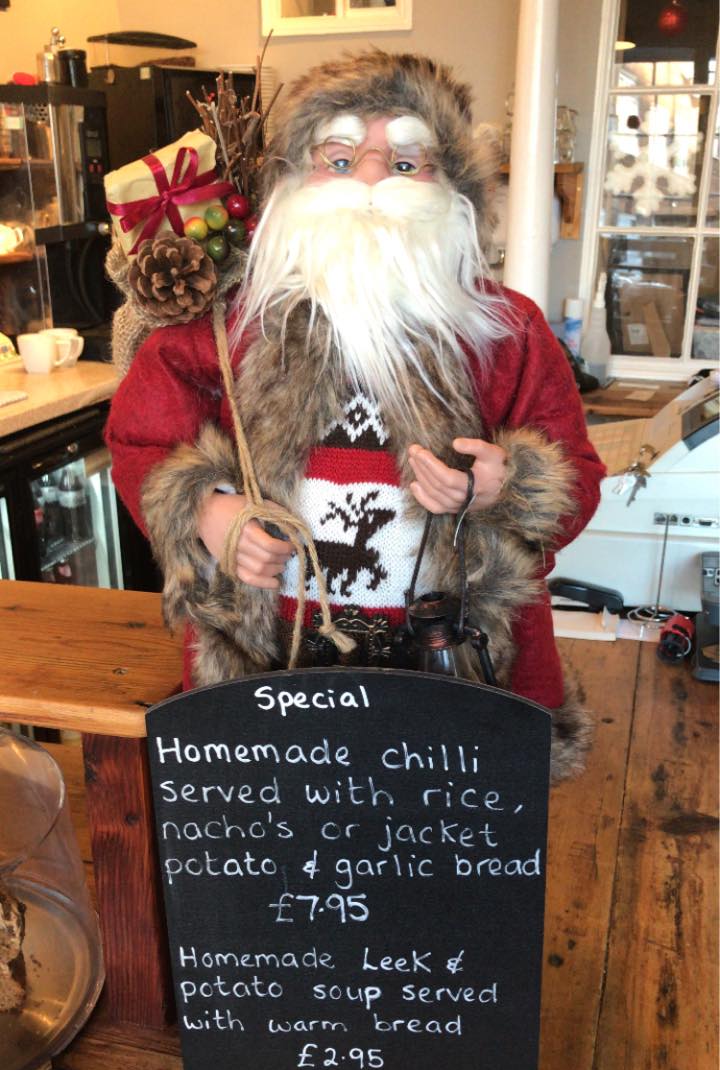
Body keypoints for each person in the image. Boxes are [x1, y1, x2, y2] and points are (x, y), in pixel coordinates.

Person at [105, 49, 605, 781]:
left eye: (406, 163)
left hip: (457, 678)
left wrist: (506, 485)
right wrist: (209, 511)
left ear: (455, 188)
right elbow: (141, 440)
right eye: (339, 158)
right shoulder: (220, 331)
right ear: (291, 180)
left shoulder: (508, 331)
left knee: (442, 866)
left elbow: (578, 475)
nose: (371, 177)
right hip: (267, 674)